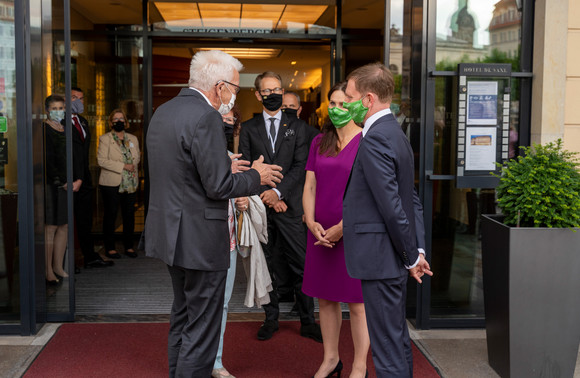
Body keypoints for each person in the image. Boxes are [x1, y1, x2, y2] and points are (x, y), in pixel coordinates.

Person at [141, 50, 283, 378]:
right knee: (202, 329)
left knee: (183, 316)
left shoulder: (164, 111)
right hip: (201, 241)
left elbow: (181, 168)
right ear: (219, 87)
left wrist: (223, 165)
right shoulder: (206, 117)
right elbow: (218, 187)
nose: (234, 96)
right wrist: (255, 177)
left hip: (171, 234)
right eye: (234, 88)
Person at [342, 63, 433, 377]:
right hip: (391, 257)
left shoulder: (377, 138)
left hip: (382, 257)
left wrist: (410, 257)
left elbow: (394, 206)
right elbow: (412, 200)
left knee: (387, 348)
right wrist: (417, 251)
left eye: (350, 97)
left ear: (368, 99)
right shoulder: (394, 132)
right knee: (395, 340)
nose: (345, 104)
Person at [239, 71, 322, 343]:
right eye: (267, 90)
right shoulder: (249, 129)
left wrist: (278, 193)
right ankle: (270, 318)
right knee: (267, 265)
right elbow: (247, 167)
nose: (273, 94)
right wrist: (267, 196)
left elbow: (300, 168)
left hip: (290, 208)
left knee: (301, 264)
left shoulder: (297, 126)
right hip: (261, 209)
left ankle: (308, 321)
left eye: (277, 89)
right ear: (257, 94)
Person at [302, 82, 369, 378]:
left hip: (352, 231)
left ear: (355, 106)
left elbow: (370, 194)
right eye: (332, 103)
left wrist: (344, 227)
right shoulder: (320, 141)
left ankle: (359, 366)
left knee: (357, 304)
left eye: (343, 104)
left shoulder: (368, 142)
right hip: (319, 233)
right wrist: (310, 220)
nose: (336, 109)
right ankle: (330, 360)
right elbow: (310, 186)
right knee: (325, 300)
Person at [212, 106, 248, 378]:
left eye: (230, 120)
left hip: (230, 240)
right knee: (197, 304)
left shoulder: (232, 156)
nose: (225, 124)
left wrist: (243, 200)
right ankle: (195, 360)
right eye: (220, 118)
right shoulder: (201, 153)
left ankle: (216, 362)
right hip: (203, 242)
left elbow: (235, 196)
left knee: (223, 303)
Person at [69, 87, 113, 269]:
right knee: (66, 223)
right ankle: (67, 263)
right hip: (70, 180)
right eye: (74, 98)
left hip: (84, 179)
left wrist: (83, 178)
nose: (78, 102)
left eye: (81, 98)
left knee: (85, 219)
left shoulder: (83, 122)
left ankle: (89, 256)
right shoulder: (60, 122)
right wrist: (74, 178)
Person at [97, 109, 140, 259]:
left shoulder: (133, 139)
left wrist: (131, 165)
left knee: (129, 215)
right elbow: (101, 161)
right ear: (111, 122)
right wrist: (123, 166)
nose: (119, 121)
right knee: (111, 215)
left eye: (121, 118)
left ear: (126, 121)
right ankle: (110, 248)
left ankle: (129, 247)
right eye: (115, 119)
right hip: (111, 183)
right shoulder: (105, 139)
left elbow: (137, 157)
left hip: (130, 183)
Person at [43, 94, 70, 285]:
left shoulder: (64, 128)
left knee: (64, 226)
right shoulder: (44, 130)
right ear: (47, 110)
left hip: (66, 185)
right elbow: (47, 161)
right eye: (55, 108)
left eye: (61, 108)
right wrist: (60, 180)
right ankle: (47, 270)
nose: (58, 111)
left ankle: (58, 266)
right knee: (50, 227)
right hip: (50, 184)